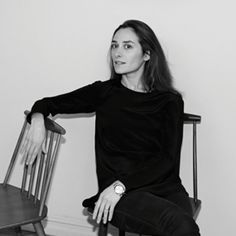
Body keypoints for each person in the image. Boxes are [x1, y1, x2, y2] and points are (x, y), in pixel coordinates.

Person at [21, 20, 200, 235]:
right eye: (114, 45)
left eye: (127, 46)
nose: (117, 53)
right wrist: (38, 120)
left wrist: (120, 186)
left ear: (147, 54)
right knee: (180, 226)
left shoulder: (170, 100)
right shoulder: (104, 92)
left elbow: (167, 161)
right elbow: (48, 103)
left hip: (162, 187)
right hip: (120, 195)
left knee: (183, 226)